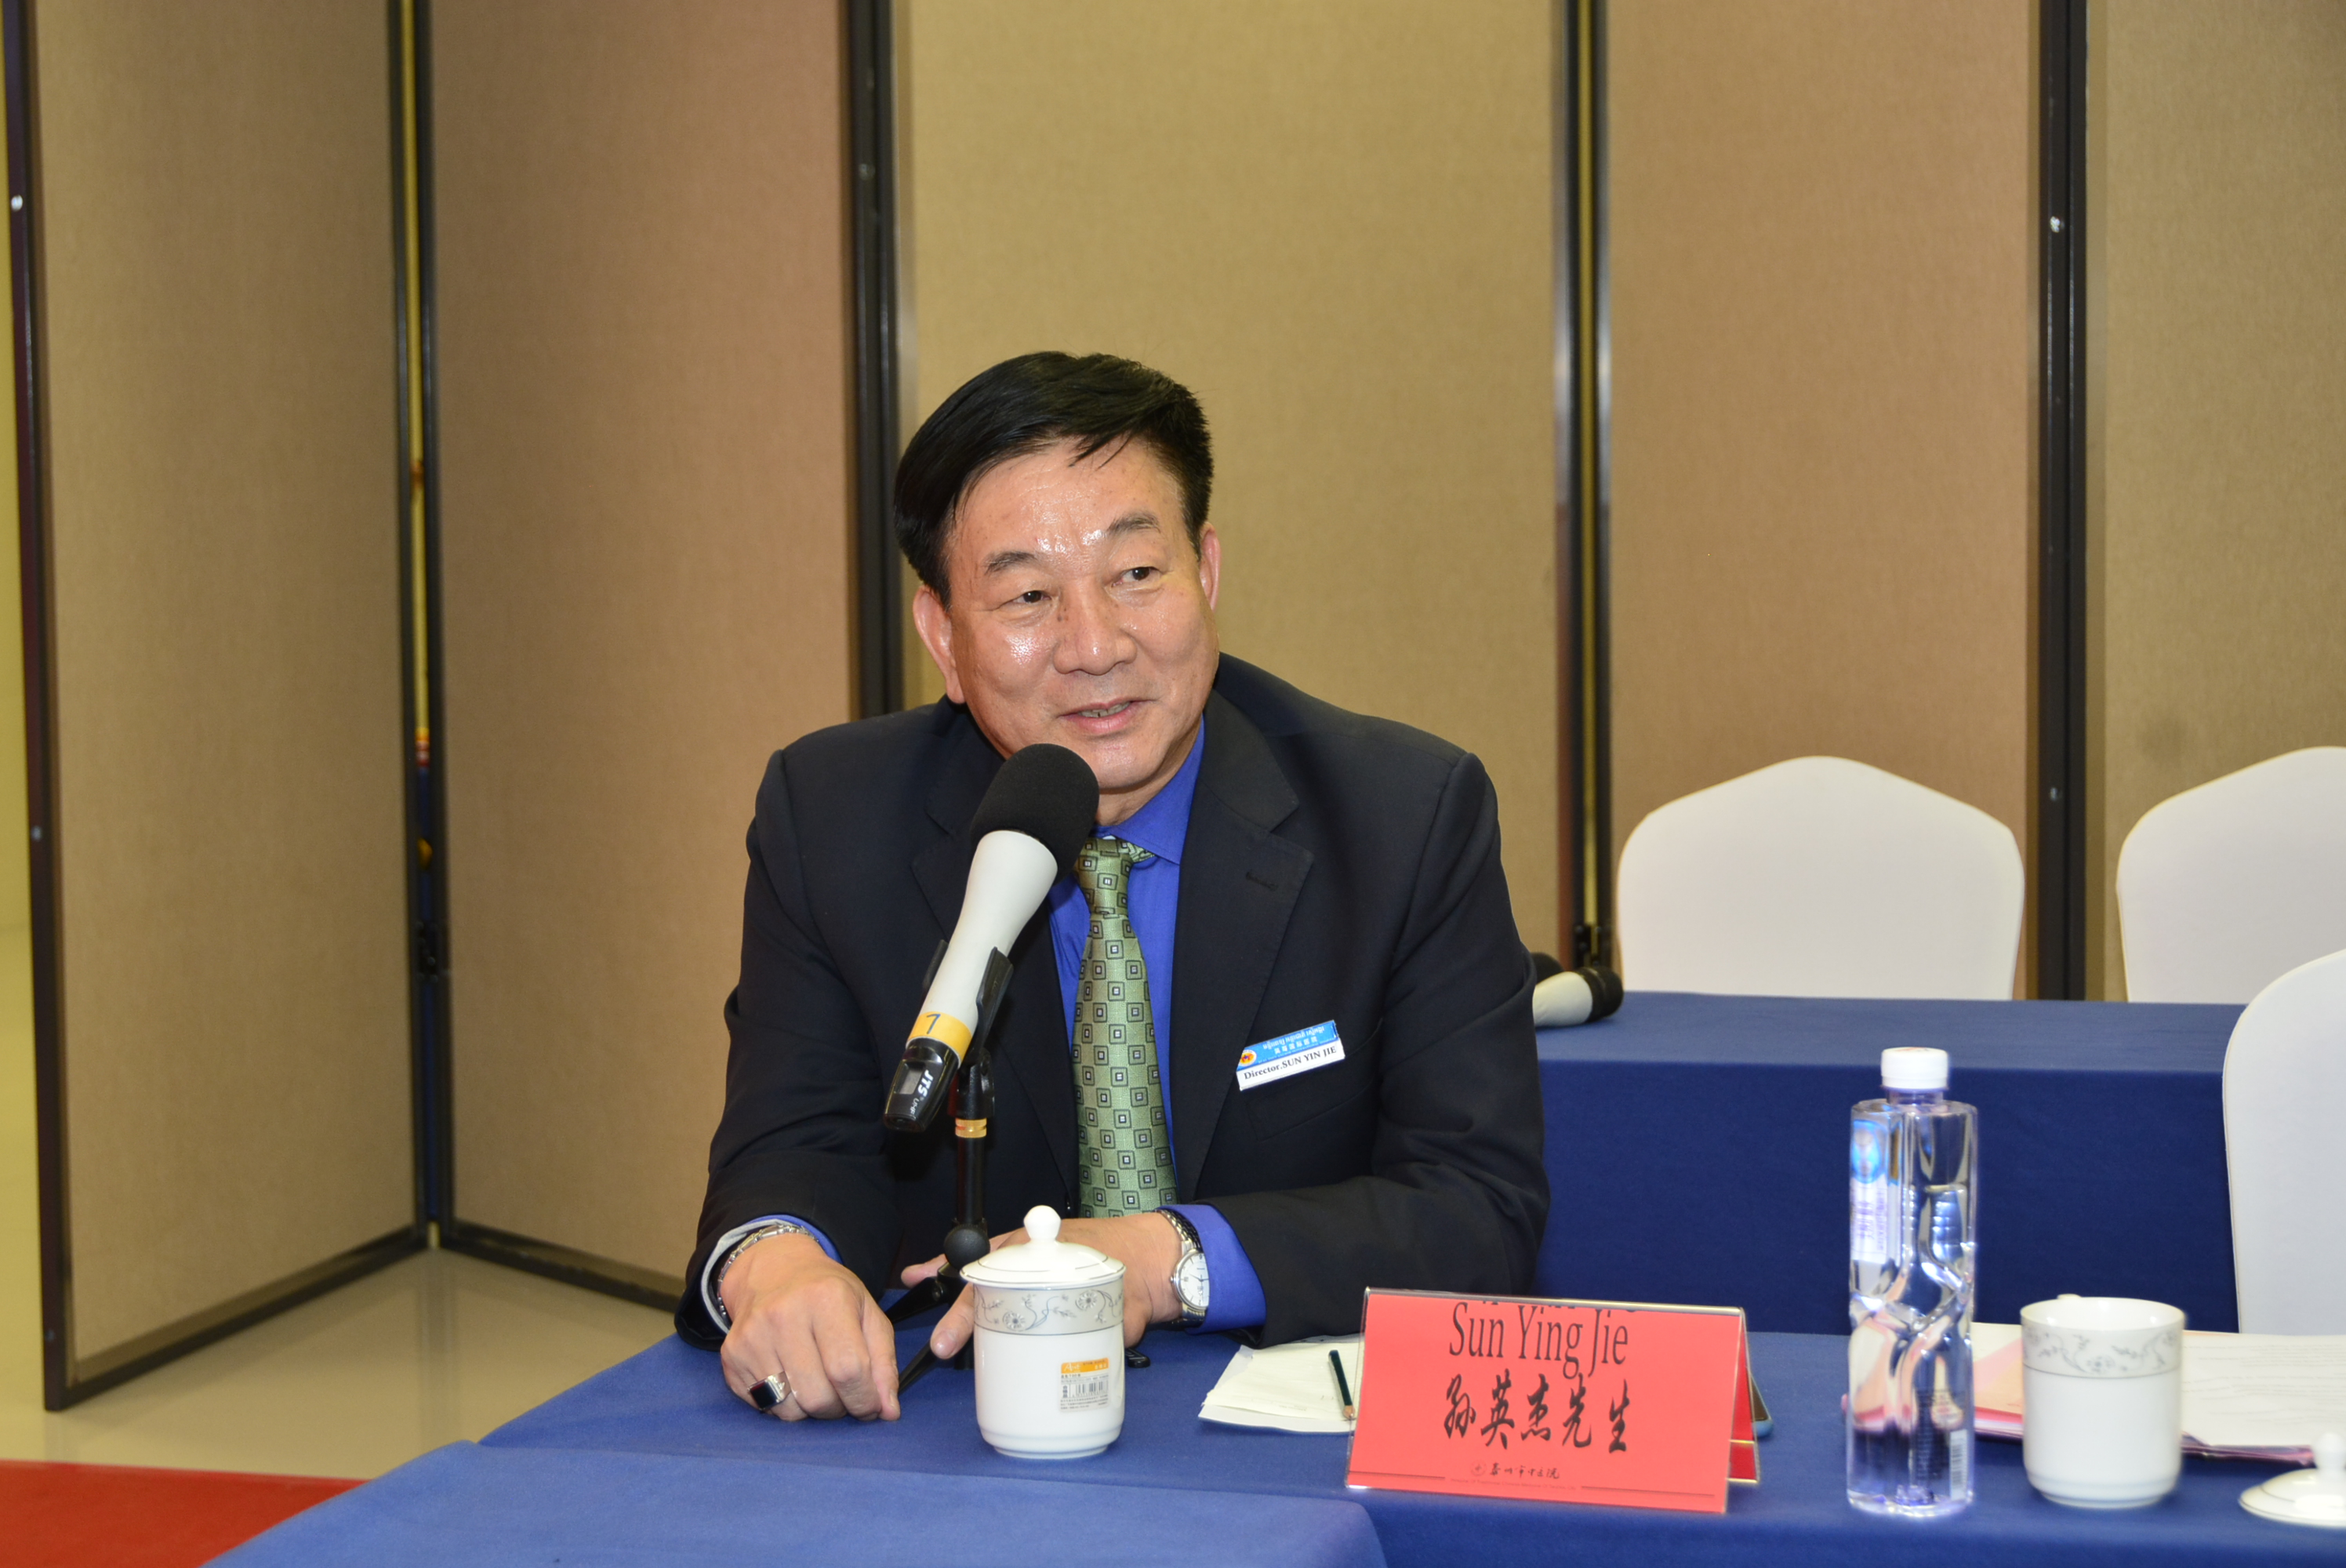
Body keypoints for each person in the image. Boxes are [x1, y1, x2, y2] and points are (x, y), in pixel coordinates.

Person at [676, 352, 1547, 1422]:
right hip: (960, 1429)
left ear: (1207, 574)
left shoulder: (1402, 816)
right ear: (943, 637)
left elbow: (1476, 1207)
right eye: (1028, 596)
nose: (1095, 647)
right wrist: (778, 1265)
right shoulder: (831, 819)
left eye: (1136, 574)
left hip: (1289, 1428)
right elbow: (792, 1142)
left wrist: (1162, 1258)